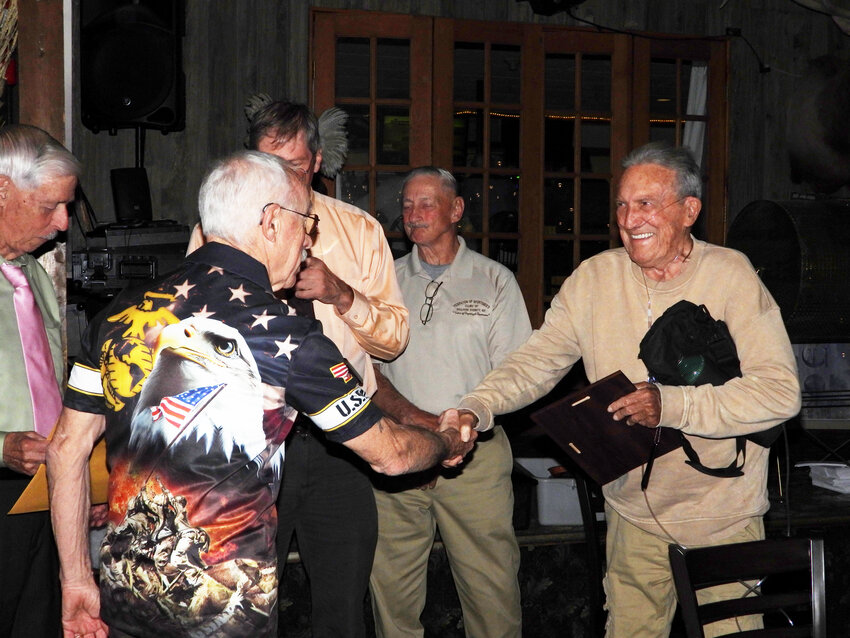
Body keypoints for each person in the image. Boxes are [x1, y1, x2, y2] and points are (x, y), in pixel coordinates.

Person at [46, 151, 474, 638]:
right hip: (227, 615)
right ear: (272, 221)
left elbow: (65, 448)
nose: (309, 242)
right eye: (306, 225)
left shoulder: (119, 314)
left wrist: (76, 578)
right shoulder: (287, 335)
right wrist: (444, 442)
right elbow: (392, 455)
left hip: (124, 604)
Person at [451, 142, 802, 638]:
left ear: (690, 210)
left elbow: (780, 394)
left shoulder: (731, 274)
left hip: (722, 519)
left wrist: (671, 404)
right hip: (634, 517)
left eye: (646, 203)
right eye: (621, 203)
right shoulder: (595, 278)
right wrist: (478, 405)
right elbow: (537, 359)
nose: (629, 217)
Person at [190, 97, 410, 637]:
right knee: (236, 602)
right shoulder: (217, 231)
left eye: (289, 165)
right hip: (249, 446)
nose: (277, 178)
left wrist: (342, 295)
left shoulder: (359, 230)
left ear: (314, 160)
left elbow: (393, 343)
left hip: (342, 444)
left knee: (342, 602)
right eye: (265, 163)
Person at [369, 167, 531, 638]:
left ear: (456, 210)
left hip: (475, 455)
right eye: (406, 206)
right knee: (392, 596)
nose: (413, 215)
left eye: (426, 204)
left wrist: (462, 427)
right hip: (397, 452)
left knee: (492, 592)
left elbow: (515, 372)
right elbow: (367, 370)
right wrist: (415, 429)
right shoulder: (386, 282)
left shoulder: (494, 279)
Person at [0, 124, 79, 638]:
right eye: (49, 205)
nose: (63, 222)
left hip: (43, 491)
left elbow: (53, 383)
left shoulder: (33, 275)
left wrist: (80, 484)